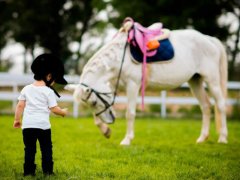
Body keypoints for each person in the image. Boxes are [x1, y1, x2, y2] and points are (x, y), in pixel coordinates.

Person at [13, 53, 68, 176]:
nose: (53, 83)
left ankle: (28, 172)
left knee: (29, 150)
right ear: (48, 76)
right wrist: (63, 112)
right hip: (43, 127)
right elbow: (54, 109)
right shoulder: (48, 92)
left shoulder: (26, 89)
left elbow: (20, 106)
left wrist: (17, 119)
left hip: (27, 127)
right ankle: (48, 172)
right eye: (54, 79)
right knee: (46, 149)